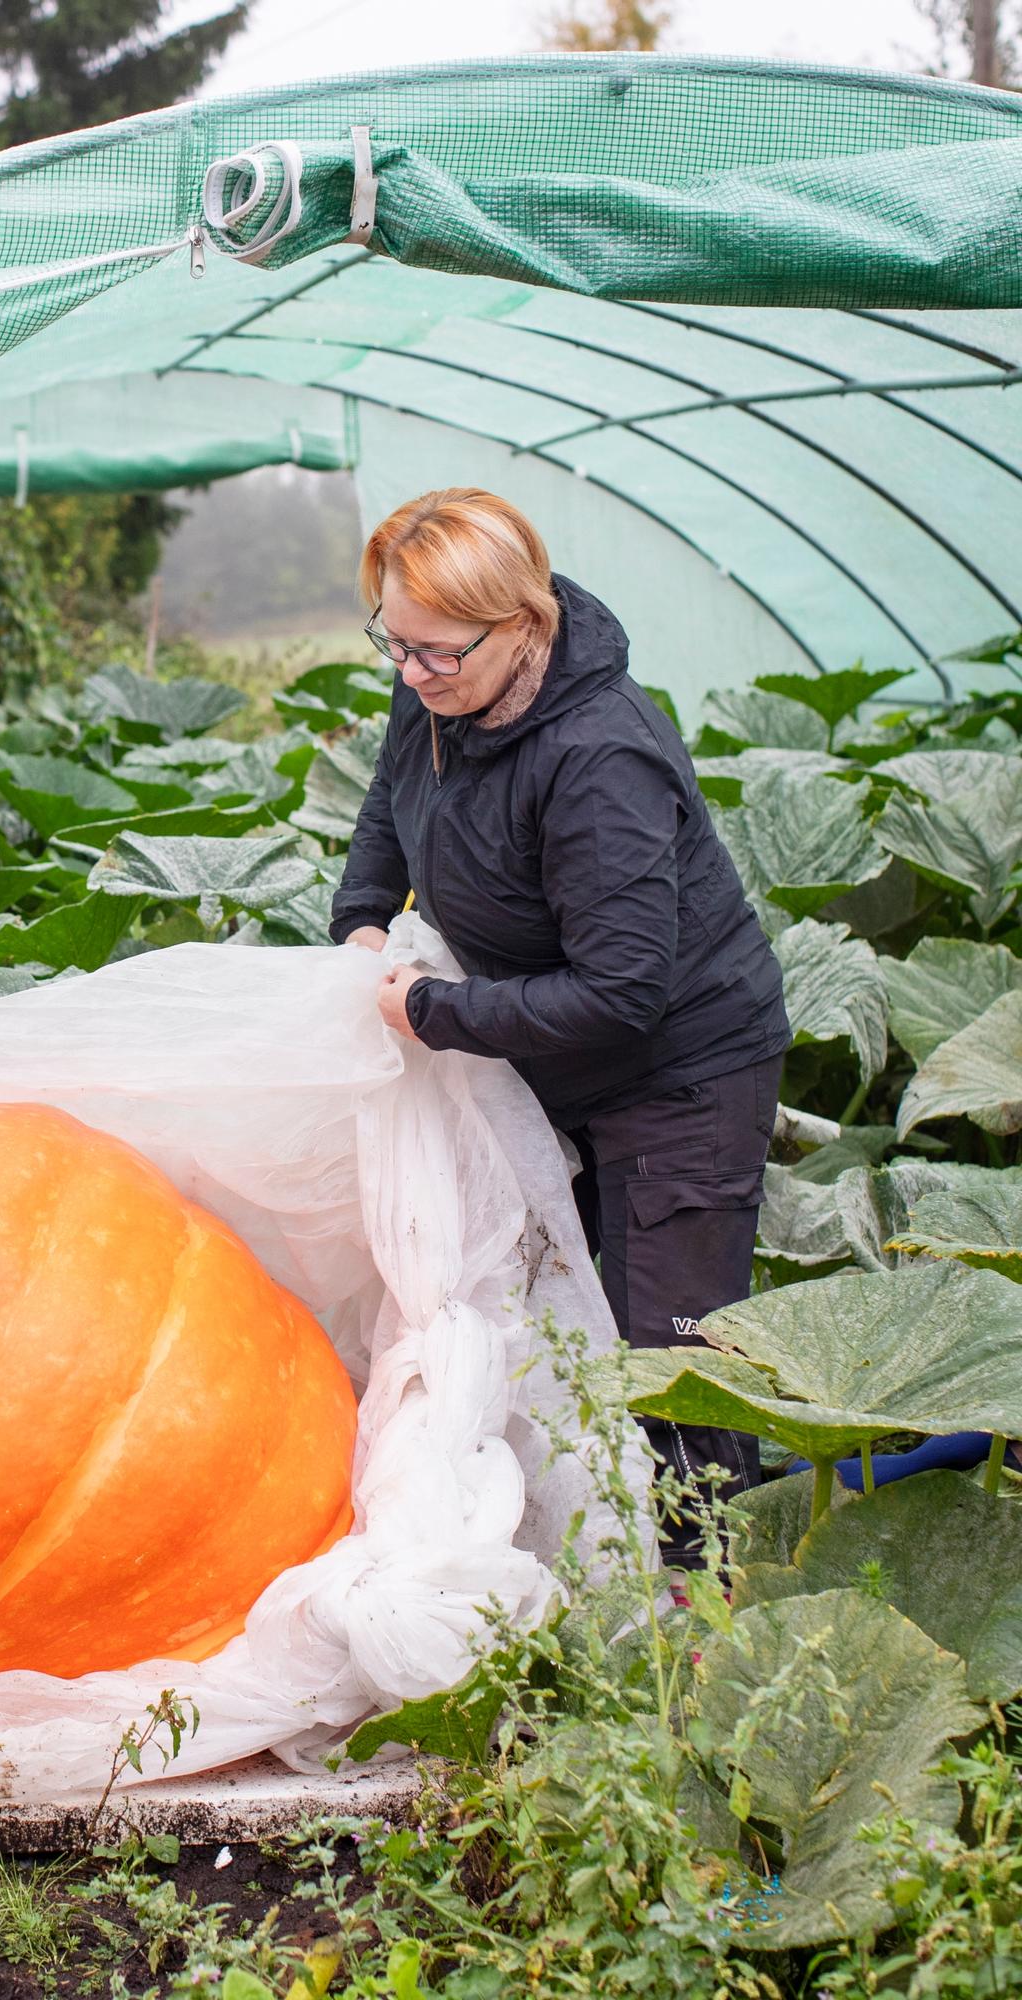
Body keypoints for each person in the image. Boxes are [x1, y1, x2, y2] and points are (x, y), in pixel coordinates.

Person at [328, 487, 791, 1560]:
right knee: (555, 1311)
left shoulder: (598, 756)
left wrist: (433, 1010)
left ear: (521, 621)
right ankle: (591, 1555)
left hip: (676, 1073)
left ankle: (698, 1599)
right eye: (391, 644)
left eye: (434, 653)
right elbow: (385, 802)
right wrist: (360, 918)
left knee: (665, 1346)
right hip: (545, 1053)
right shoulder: (436, 687)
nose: (409, 674)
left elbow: (623, 989)